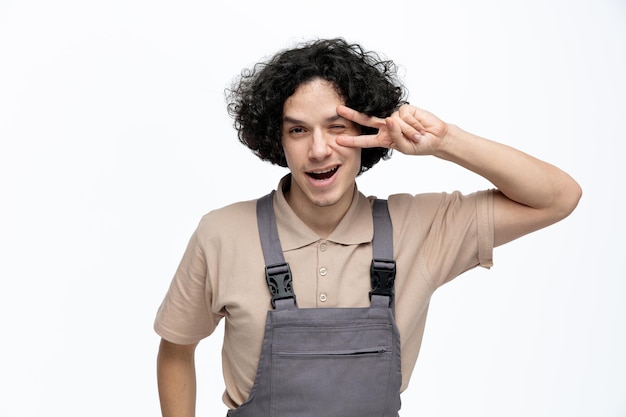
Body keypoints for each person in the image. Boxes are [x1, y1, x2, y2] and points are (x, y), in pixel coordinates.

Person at [154, 38, 581, 417]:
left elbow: (559, 196)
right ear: (276, 139)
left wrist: (446, 140)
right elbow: (176, 350)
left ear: (369, 132)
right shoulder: (222, 234)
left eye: (337, 128)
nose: (319, 150)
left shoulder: (420, 227)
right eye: (298, 130)